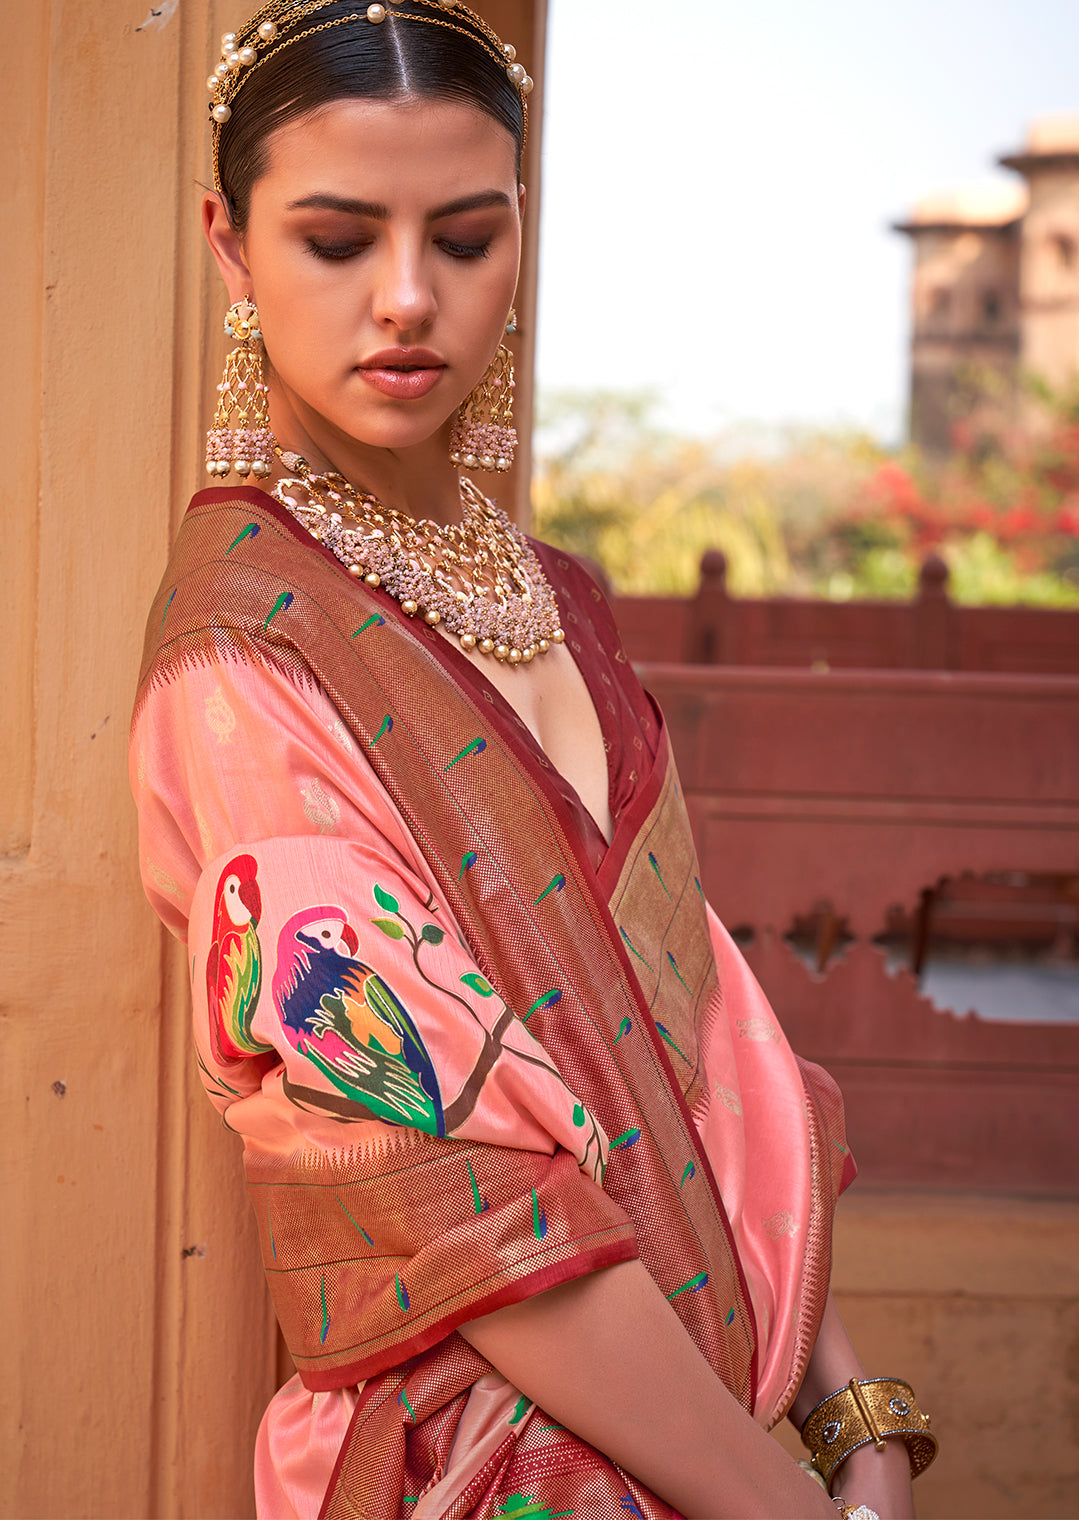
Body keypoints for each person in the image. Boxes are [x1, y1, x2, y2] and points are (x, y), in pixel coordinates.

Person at [130, 4, 937, 1516]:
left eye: (465, 234)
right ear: (230, 248)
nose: (407, 299)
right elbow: (457, 1198)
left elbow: (698, 1018)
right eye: (335, 239)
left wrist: (857, 1421)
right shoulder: (245, 660)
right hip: (481, 1466)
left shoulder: (556, 596)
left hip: (709, 1440)